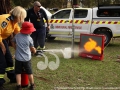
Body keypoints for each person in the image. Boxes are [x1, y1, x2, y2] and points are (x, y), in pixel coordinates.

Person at [0, 6, 26, 90]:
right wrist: (2, 46)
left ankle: (12, 77)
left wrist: (26, 38)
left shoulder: (14, 22)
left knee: (9, 60)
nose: (23, 19)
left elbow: (18, 32)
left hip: (1, 40)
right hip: (0, 40)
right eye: (22, 17)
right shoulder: (5, 20)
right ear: (18, 15)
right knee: (1, 63)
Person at [12, 21, 36, 90]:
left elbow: (12, 41)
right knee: (29, 72)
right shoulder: (29, 39)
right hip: (26, 59)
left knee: (18, 73)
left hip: (18, 58)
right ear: (28, 31)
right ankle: (32, 85)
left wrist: (15, 47)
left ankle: (18, 86)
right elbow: (32, 49)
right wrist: (34, 51)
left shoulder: (17, 35)